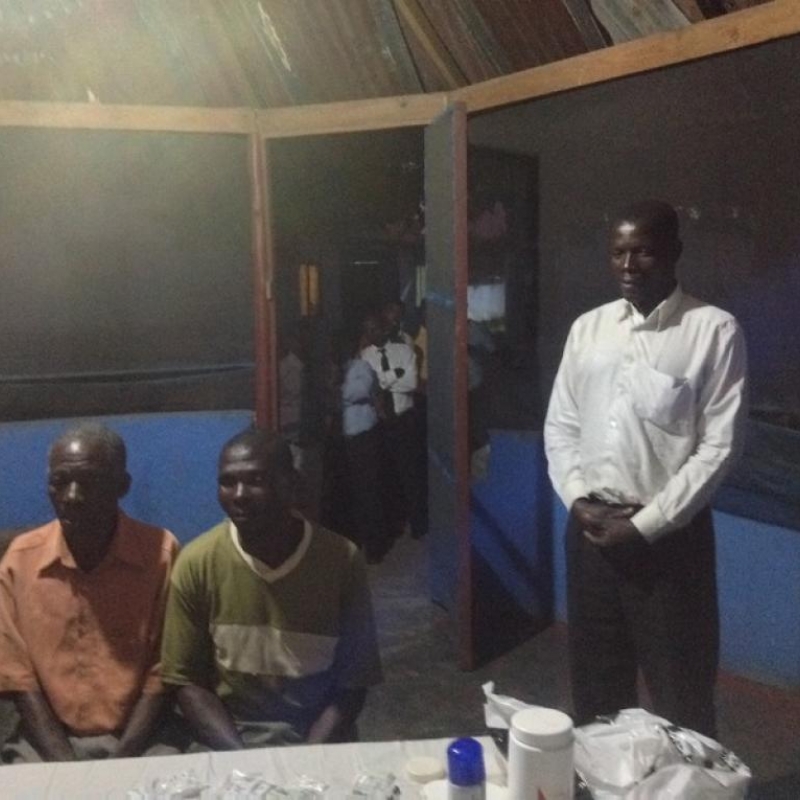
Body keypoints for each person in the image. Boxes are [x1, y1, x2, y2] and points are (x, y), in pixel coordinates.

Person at [544, 200, 748, 738]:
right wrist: (576, 499)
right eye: (619, 253)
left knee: (682, 699)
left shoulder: (713, 331)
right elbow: (561, 426)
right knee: (596, 696)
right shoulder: (588, 330)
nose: (629, 266)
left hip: (668, 546)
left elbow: (719, 447)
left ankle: (687, 782)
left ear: (674, 252)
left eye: (643, 252)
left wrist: (644, 525)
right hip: (590, 536)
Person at [160, 428, 382, 749]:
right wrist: (245, 761)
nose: (239, 494)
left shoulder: (340, 561)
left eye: (256, 480)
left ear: (292, 484)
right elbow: (187, 682)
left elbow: (352, 683)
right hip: (229, 735)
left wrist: (306, 759)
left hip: (316, 736)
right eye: (227, 482)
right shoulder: (197, 563)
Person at [0, 423, 179, 762]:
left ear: (122, 486)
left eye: (89, 481)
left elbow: (164, 672)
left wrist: (121, 762)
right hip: (47, 742)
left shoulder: (161, 554)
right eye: (60, 481)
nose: (71, 496)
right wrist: (67, 768)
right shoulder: (20, 561)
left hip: (141, 739)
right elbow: (19, 678)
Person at [360, 314, 427, 539]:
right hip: (379, 422)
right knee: (385, 476)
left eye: (375, 328)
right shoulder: (364, 356)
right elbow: (369, 387)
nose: (372, 334)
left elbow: (412, 383)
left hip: (403, 419)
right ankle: (393, 524)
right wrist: (396, 374)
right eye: (368, 330)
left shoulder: (404, 351)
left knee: (410, 474)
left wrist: (383, 379)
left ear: (384, 329)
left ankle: (418, 524)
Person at [341, 335, 391, 563]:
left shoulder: (361, 367)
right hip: (345, 436)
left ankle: (375, 546)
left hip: (363, 434)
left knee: (368, 490)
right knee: (349, 493)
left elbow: (357, 391)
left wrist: (336, 391)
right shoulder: (336, 369)